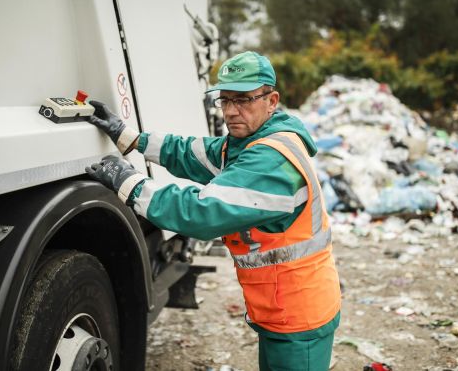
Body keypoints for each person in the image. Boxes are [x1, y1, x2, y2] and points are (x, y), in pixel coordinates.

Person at [86, 51, 341, 370]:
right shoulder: (247, 142)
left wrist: (130, 184)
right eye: (226, 100)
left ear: (271, 100)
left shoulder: (271, 162)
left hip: (300, 313)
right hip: (280, 306)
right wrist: (129, 138)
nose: (232, 112)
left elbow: (201, 212)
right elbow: (188, 152)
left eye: (244, 100)